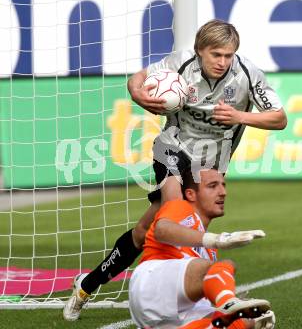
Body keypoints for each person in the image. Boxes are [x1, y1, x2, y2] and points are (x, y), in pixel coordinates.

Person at [63, 19, 287, 321]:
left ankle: (87, 285)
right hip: (174, 148)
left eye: (228, 55)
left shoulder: (247, 74)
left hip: (212, 164)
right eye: (215, 55)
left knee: (145, 233)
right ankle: (206, 296)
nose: (222, 62)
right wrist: (136, 93)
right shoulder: (180, 64)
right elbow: (139, 78)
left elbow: (279, 117)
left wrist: (239, 115)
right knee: (174, 210)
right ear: (199, 52)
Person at [129, 168, 275, 328]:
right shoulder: (181, 208)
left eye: (223, 185)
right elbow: (162, 230)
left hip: (172, 307)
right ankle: (228, 302)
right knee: (226, 266)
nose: (223, 192)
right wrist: (216, 239)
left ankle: (230, 311)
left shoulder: (209, 251)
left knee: (242, 323)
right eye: (213, 186)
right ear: (191, 194)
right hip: (151, 282)